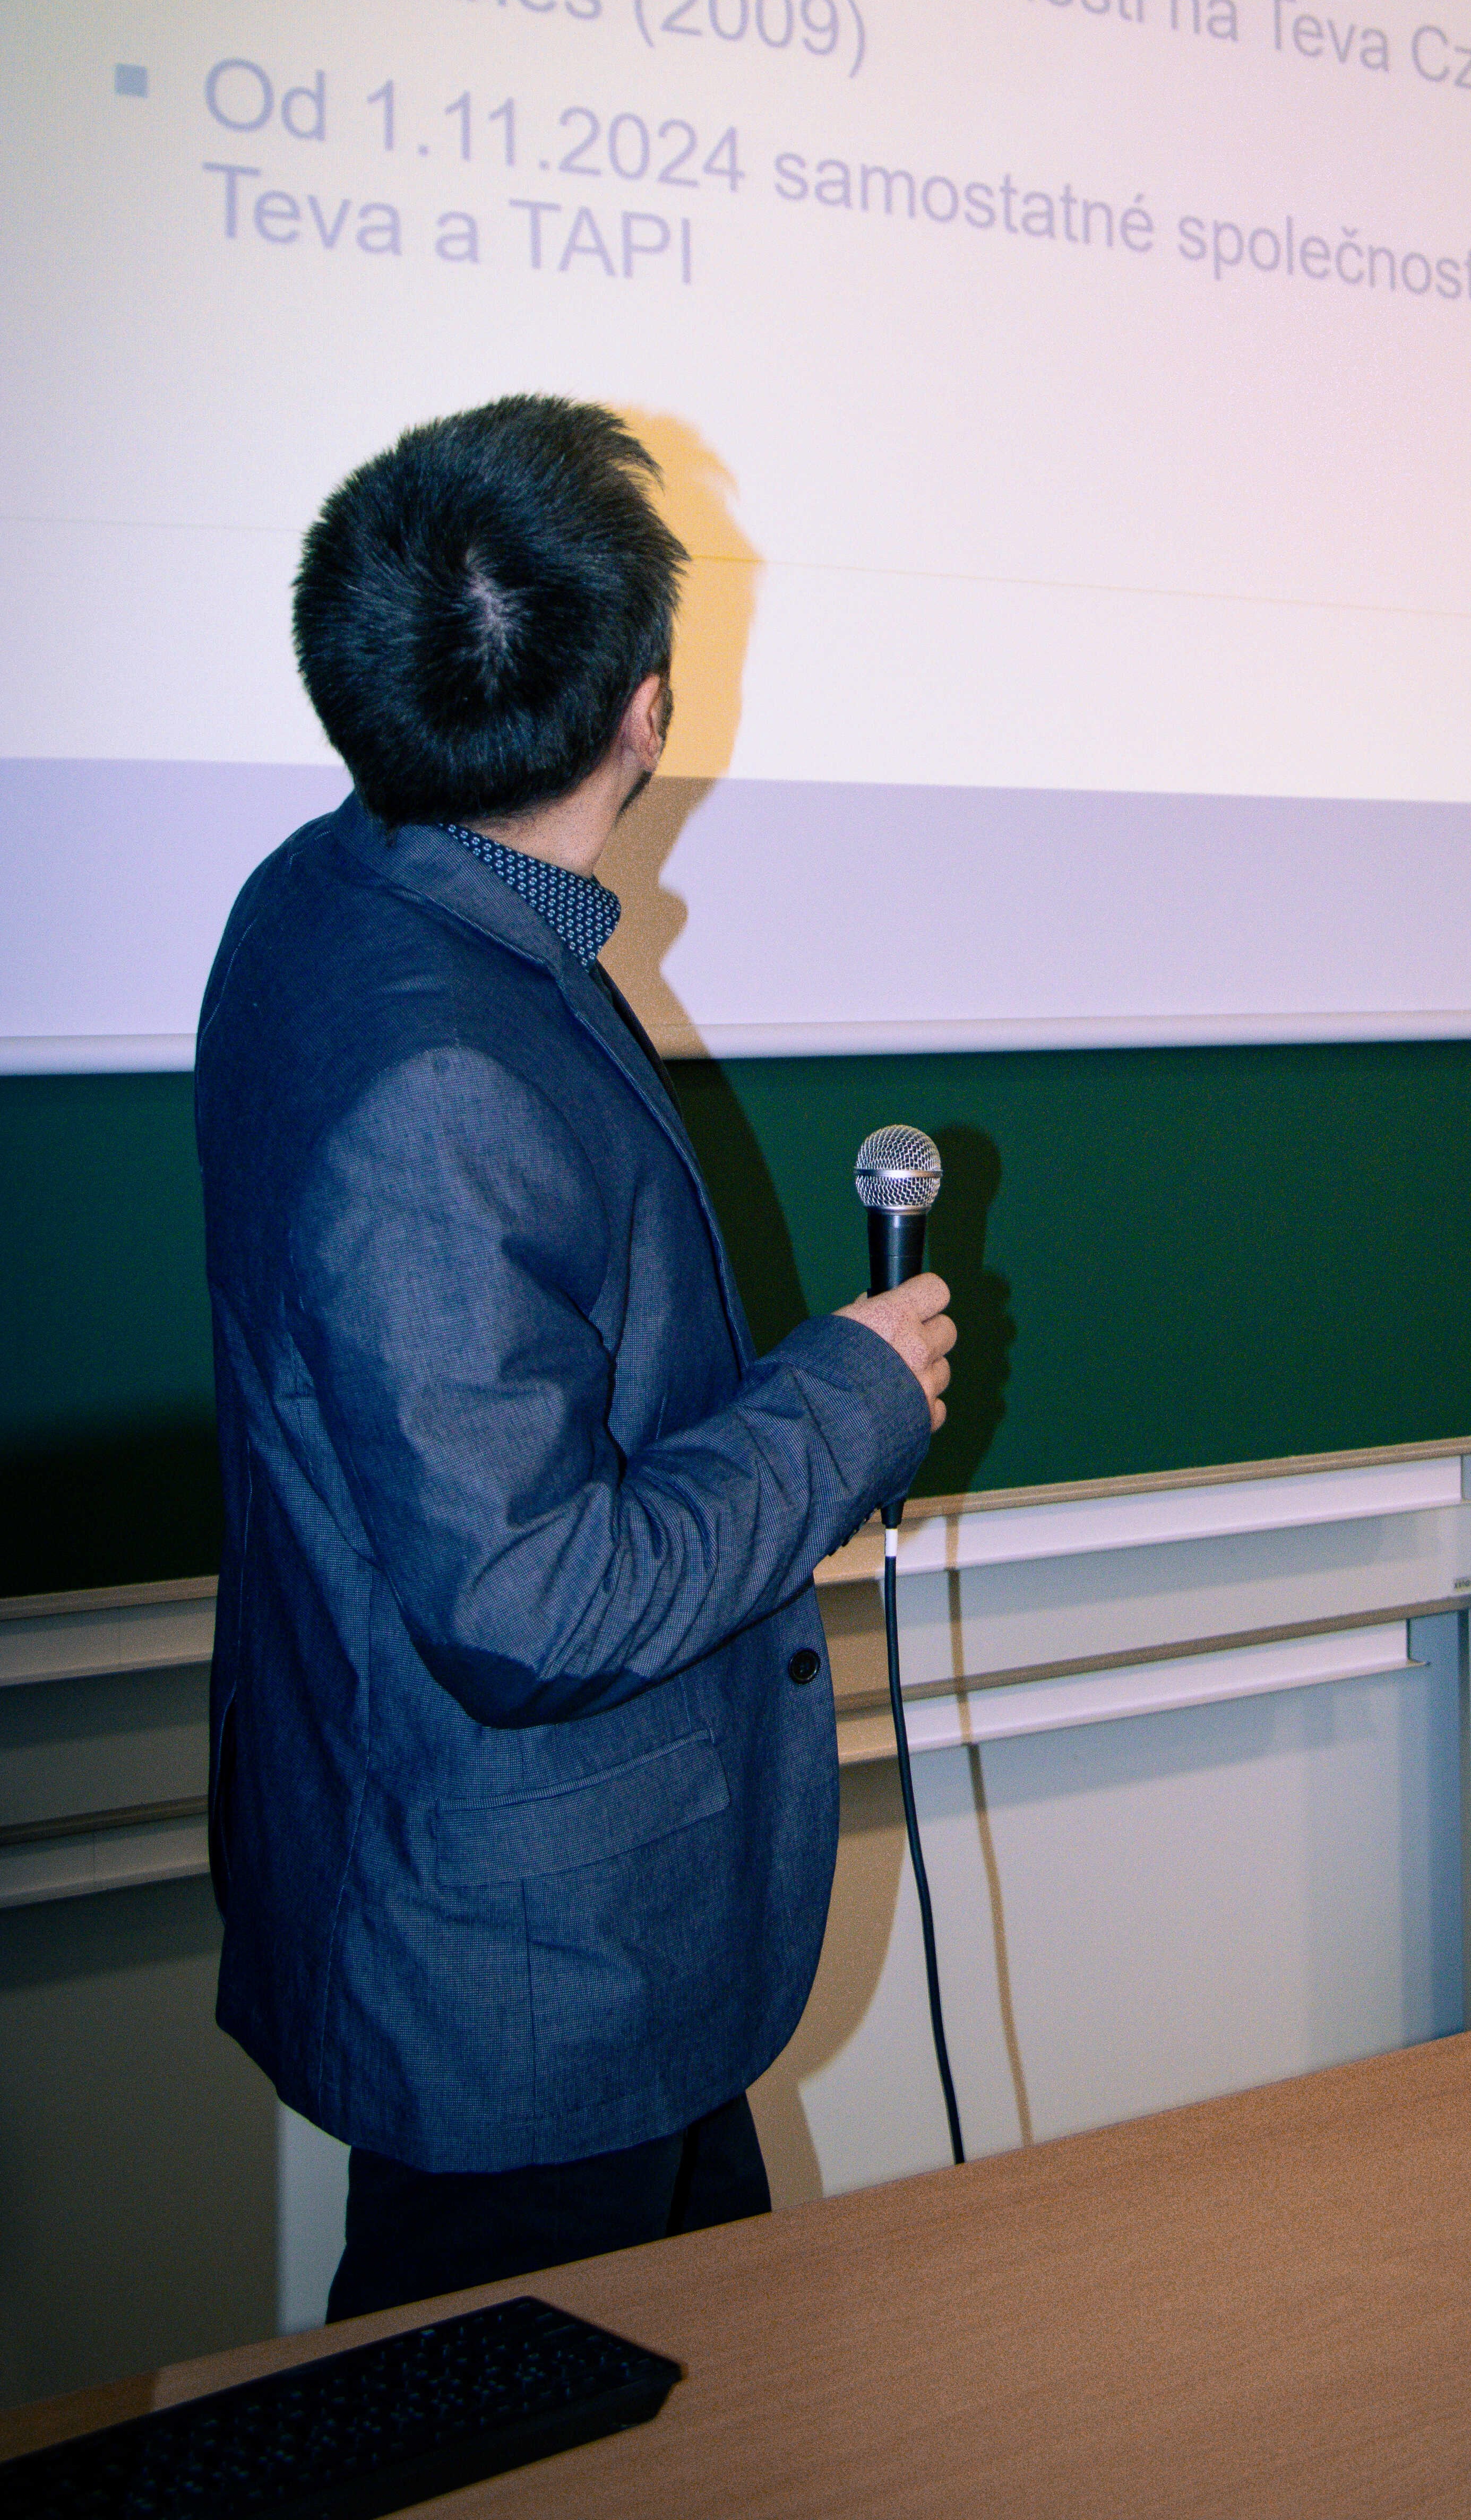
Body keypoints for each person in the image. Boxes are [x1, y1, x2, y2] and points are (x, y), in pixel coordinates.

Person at [194, 394, 952, 2319]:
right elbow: (529, 1604)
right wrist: (852, 1404)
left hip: (552, 1929)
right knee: (509, 2429)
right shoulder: (438, 1078)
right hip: (522, 1977)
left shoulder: (326, 900)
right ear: (647, 711)